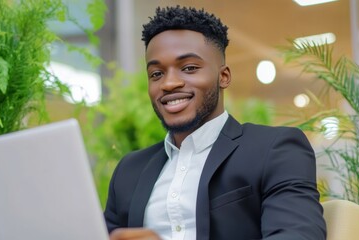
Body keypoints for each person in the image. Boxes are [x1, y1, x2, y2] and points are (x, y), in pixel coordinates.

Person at [105, 5, 326, 240]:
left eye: (189, 68)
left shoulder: (275, 149)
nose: (168, 84)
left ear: (223, 76)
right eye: (156, 74)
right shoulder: (129, 171)